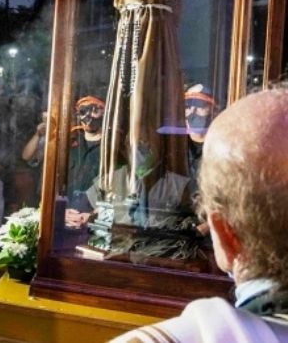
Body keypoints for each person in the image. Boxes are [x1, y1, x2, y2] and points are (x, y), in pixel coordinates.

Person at [111, 89, 288, 342]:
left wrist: (201, 229)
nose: (193, 112)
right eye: (188, 105)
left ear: (226, 236)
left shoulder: (197, 334)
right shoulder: (170, 151)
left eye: (200, 105)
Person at [100, 0, 188, 195]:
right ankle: (120, 185)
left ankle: (146, 188)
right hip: (131, 23)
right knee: (126, 100)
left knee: (144, 101)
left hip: (150, 26)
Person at [64, 96, 105, 228]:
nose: (88, 116)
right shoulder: (68, 146)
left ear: (104, 113)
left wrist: (94, 216)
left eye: (94, 110)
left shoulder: (112, 149)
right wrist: (59, 211)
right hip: (66, 220)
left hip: (96, 225)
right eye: (83, 111)